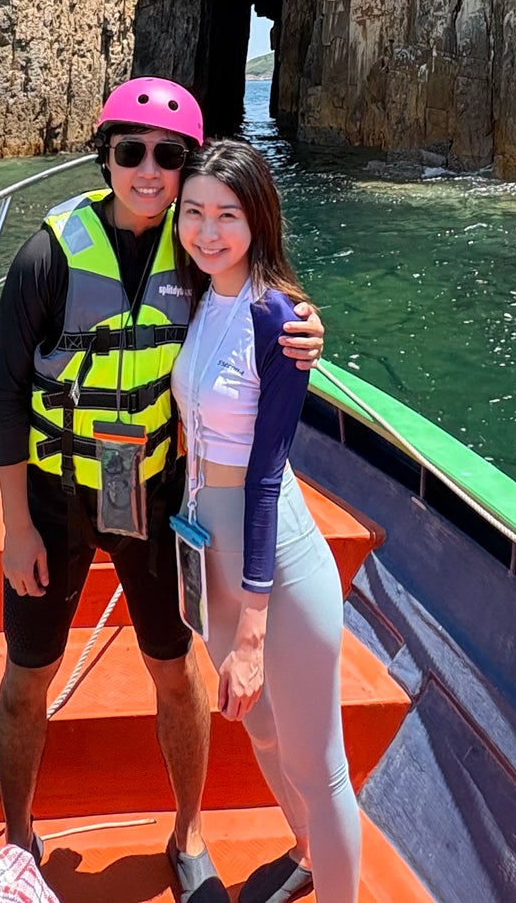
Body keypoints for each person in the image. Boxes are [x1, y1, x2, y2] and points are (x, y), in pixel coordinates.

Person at [0, 79, 325, 903]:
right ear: (105, 155)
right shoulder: (49, 253)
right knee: (28, 670)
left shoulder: (194, 245)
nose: (147, 169)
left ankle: (189, 833)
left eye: (167, 155)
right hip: (56, 497)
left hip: (152, 491)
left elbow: (258, 290)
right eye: (129, 150)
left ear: (187, 167)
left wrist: (307, 324)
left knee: (173, 669)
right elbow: (2, 392)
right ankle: (22, 837)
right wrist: (14, 528)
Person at [171, 139, 361, 903]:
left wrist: (250, 630)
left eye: (227, 215)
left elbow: (264, 475)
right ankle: (307, 854)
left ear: (258, 220)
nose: (208, 231)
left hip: (269, 553)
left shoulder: (276, 317)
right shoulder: (198, 293)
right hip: (206, 543)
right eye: (193, 213)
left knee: (320, 765)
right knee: (259, 727)